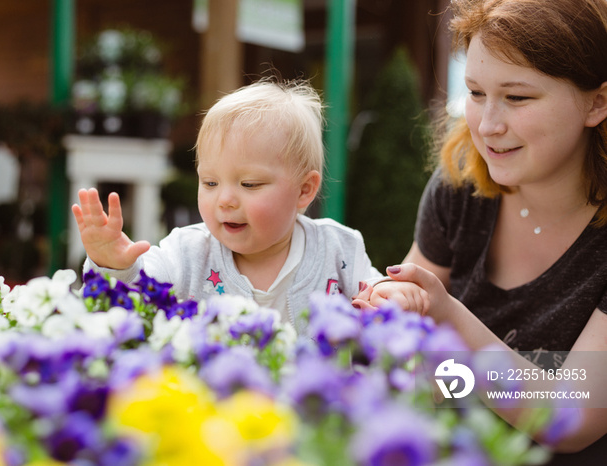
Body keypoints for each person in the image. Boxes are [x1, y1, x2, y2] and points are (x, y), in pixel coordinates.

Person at [357, 0, 607, 461]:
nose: (487, 126)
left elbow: (569, 417)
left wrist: (447, 320)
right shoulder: (459, 186)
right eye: (474, 92)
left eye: (517, 97)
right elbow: (405, 358)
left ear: (597, 102)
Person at [72, 78, 428, 333]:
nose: (224, 198)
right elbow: (140, 288)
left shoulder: (338, 248)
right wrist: (113, 264)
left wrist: (389, 294)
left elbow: (371, 291)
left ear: (305, 190)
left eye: (249, 184)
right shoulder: (189, 251)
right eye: (210, 182)